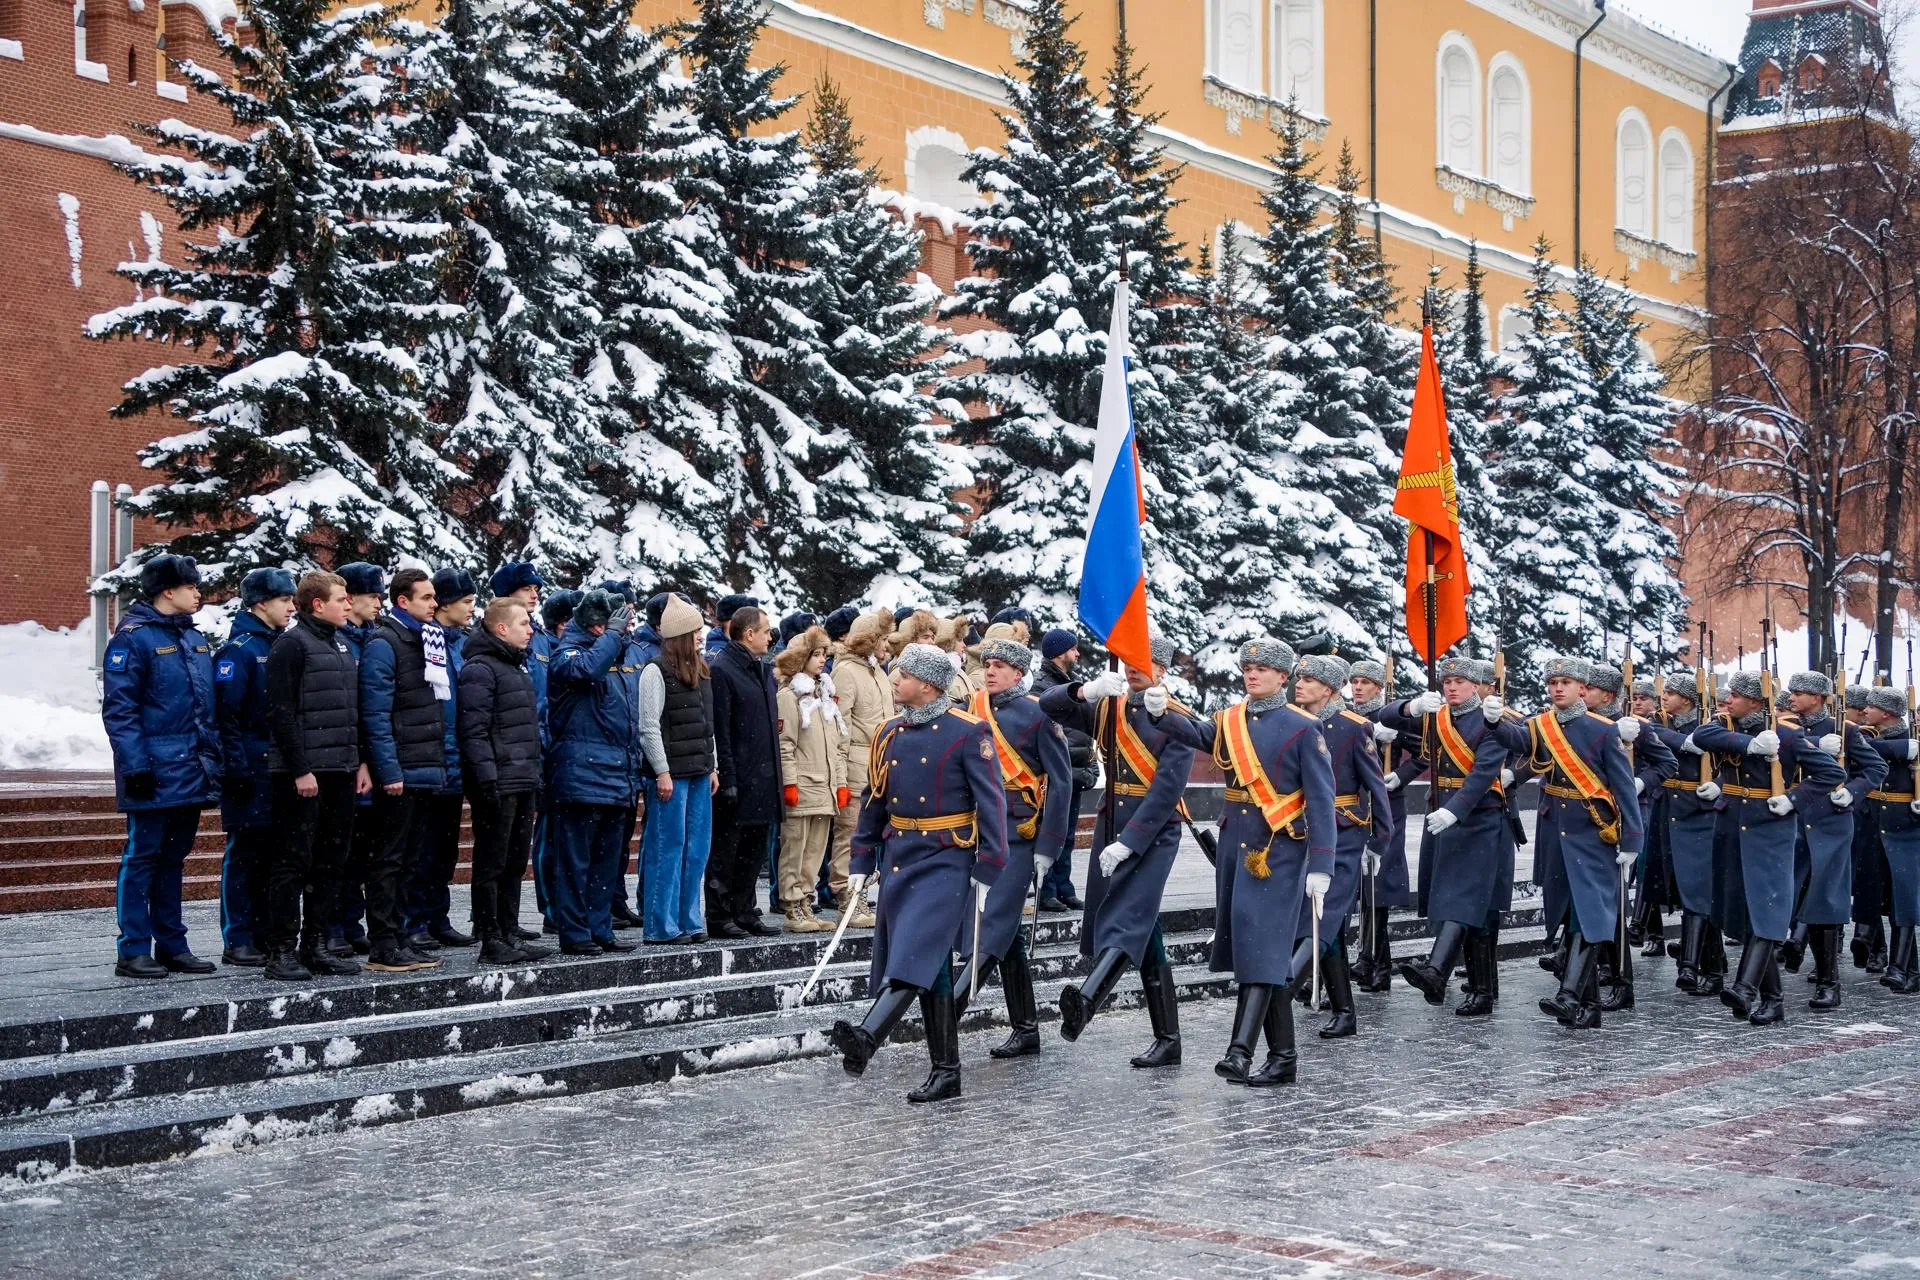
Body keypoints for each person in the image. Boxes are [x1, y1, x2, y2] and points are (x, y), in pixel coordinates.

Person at [829, 643, 1008, 1104]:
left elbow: (992, 804)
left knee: (913, 951)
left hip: (948, 858)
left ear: (927, 684)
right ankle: (947, 1071)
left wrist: (991, 864)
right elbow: (876, 798)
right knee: (930, 964)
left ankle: (867, 1037)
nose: (893, 679)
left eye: (902, 674)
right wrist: (862, 859)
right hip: (900, 857)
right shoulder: (890, 731)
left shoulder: (968, 731)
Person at [1152, 639, 1335, 1085]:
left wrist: (1322, 865)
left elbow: (1322, 801)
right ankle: (1285, 1057)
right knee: (1259, 953)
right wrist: (1159, 711)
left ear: (1283, 677)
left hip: (1278, 854)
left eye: (1262, 669)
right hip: (1237, 851)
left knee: (1263, 950)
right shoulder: (1231, 720)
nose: (1252, 675)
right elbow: (1197, 734)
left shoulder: (1302, 727)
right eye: (1247, 667)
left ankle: (1239, 1052)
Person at [1037, 630, 1194, 1068]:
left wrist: (1130, 842)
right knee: (1143, 928)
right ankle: (1168, 1039)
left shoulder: (1177, 718)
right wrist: (1084, 690)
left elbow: (1166, 791)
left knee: (1128, 921)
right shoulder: (1111, 706)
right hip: (1111, 820)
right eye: (1128, 662)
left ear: (1162, 669)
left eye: (1143, 664)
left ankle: (1087, 1000)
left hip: (1152, 831)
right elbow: (1049, 705)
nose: (1132, 670)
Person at [1693, 670, 1846, 1025]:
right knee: (1748, 912)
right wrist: (1750, 746)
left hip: (1770, 830)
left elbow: (1830, 774)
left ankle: (1746, 987)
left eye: (1735, 696)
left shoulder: (1789, 736)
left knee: (1767, 909)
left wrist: (1794, 800)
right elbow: (1702, 734)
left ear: (1757, 702)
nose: (1728, 700)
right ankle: (1773, 1000)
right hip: (1732, 830)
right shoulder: (1728, 728)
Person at [1504, 657, 1646, 1029]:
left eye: (1565, 682)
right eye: (1552, 683)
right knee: (1570, 912)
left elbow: (1624, 788)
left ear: (1582, 688)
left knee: (1590, 914)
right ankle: (1589, 1009)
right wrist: (1492, 720)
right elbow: (1518, 739)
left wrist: (1632, 839)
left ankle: (1569, 996)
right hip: (1557, 833)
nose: (1557, 689)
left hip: (1593, 832)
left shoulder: (1602, 729)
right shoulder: (1542, 725)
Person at [950, 628, 1072, 1058]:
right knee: (1003, 932)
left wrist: (1048, 846)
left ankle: (946, 1017)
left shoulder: (1038, 716)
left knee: (990, 925)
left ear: (1019, 672)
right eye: (987, 665)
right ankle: (1027, 1027)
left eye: (1000, 667)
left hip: (1019, 835)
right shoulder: (971, 709)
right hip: (978, 831)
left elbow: (1061, 781)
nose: (991, 672)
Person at [101, 554, 223, 979]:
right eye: (191, 587)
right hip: (152, 770)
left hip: (190, 768)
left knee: (173, 859)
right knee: (142, 858)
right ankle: (133, 948)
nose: (198, 594)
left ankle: (172, 944)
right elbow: (120, 711)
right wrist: (135, 765)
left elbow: (206, 710)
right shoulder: (132, 639)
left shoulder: (194, 639)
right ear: (168, 591)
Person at [1378, 655, 1509, 1013]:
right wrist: (1412, 706)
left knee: (1464, 898)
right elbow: (1385, 718)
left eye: (1459, 682)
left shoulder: (1490, 721)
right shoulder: (1436, 716)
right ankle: (1481, 991)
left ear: (1477, 686)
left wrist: (1455, 810)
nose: (1451, 687)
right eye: (1446, 681)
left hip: (1479, 817)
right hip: (1442, 813)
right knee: (1469, 904)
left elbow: (1483, 774)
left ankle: (1437, 971)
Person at [264, 571, 368, 981]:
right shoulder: (291, 645)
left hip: (341, 770)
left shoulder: (341, 644)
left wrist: (358, 761)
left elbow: (351, 712)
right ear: (317, 604)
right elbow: (281, 713)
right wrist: (299, 769)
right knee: (292, 862)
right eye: (341, 599)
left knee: (332, 861)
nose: (348, 605)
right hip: (303, 775)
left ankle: (317, 944)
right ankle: (281, 951)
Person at [1287, 654, 1392, 1033]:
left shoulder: (1353, 727)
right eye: (1299, 678)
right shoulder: (1292, 721)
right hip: (1302, 834)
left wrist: (1380, 840)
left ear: (1329, 689)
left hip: (1343, 833)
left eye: (1309, 680)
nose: (1299, 685)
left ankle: (1280, 992)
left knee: (1323, 916)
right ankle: (1344, 1012)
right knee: (1321, 923)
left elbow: (1375, 787)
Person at [356, 568, 449, 974]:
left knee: (410, 858)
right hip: (401, 770)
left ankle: (401, 936)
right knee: (388, 859)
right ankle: (383, 942)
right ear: (402, 601)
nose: (434, 604)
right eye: (426, 598)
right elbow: (376, 713)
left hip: (424, 765)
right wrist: (389, 769)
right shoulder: (385, 642)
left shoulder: (426, 639)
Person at [458, 597, 555, 965]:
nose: (531, 630)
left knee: (515, 862)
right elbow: (474, 730)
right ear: (501, 628)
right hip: (498, 782)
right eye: (523, 623)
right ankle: (491, 937)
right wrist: (487, 780)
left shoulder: (517, 666)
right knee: (492, 863)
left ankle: (510, 930)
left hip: (522, 778)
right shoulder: (481, 669)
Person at [544, 588, 640, 955]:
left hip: (616, 775)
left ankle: (600, 928)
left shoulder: (615, 654)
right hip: (580, 775)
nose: (627, 629)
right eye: (619, 623)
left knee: (606, 862)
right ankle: (574, 931)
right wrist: (614, 638)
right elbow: (585, 670)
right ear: (599, 626)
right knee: (575, 862)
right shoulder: (567, 653)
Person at [1576, 663, 1675, 1012]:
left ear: (1606, 694)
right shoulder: (1579, 723)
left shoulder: (1634, 727)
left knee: (1616, 902)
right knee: (1598, 903)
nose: (1581, 692)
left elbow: (1667, 763)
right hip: (1589, 819)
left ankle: (1623, 981)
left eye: (1587, 688)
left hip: (1621, 818)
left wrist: (1640, 782)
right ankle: (1601, 967)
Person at [1782, 671, 1885, 1008]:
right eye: (1792, 692)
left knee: (1824, 900)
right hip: (1795, 819)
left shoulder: (1846, 731)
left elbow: (1875, 768)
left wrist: (1852, 793)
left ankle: (1829, 983)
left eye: (1800, 693)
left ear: (1820, 698)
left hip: (1831, 822)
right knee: (1791, 895)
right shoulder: (1783, 727)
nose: (1793, 698)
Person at [212, 567, 295, 969]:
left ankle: (264, 931)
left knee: (273, 855)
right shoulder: (240, 650)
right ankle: (239, 937)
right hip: (250, 766)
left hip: (278, 767)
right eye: (284, 600)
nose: (291, 608)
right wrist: (236, 768)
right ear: (261, 603)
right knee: (245, 854)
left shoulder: (282, 643)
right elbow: (226, 716)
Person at [636, 595, 719, 944]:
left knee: (697, 847)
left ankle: (689, 919)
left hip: (699, 770)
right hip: (672, 774)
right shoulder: (655, 670)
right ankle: (660, 924)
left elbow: (706, 723)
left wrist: (713, 765)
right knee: (669, 847)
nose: (701, 636)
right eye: (695, 630)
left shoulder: (701, 669)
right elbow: (648, 726)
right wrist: (661, 771)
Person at [1648, 673, 1730, 996]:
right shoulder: (1663, 722)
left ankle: (1692, 965)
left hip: (1702, 814)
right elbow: (1648, 732)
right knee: (1688, 891)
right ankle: (1712, 965)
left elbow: (1736, 763)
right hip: (1671, 814)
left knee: (1698, 890)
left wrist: (1719, 787)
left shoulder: (1714, 726)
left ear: (1688, 699)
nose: (1664, 696)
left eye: (1671, 692)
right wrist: (1682, 741)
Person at [408, 567, 476, 951]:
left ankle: (437, 915)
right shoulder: (423, 641)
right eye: (465, 602)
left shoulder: (461, 644)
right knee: (420, 847)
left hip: (454, 760)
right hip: (428, 758)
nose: (471, 609)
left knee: (444, 849)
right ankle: (413, 919)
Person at [1347, 658, 1424, 992]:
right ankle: (1374, 961)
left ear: (1379, 687)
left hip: (1385, 807)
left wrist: (1399, 777)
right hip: (1354, 807)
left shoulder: (1391, 716)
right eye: (1355, 681)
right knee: (1362, 886)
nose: (1358, 687)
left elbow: (1424, 752)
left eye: (1365, 682)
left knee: (1378, 885)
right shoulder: (1349, 715)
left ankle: (1374, 962)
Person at [708, 605, 783, 938]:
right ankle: (719, 913)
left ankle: (745, 909)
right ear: (748, 633)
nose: (771, 636)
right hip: (739, 774)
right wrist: (728, 777)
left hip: (763, 774)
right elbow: (721, 730)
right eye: (765, 630)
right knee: (728, 848)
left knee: (753, 850)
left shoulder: (762, 669)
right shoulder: (723, 669)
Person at [328, 562, 385, 956]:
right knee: (337, 850)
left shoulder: (371, 640)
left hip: (367, 759)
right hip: (343, 760)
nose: (378, 602)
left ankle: (351, 920)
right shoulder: (336, 640)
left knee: (362, 851)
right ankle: (333, 924)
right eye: (373, 595)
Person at [774, 626, 847, 933]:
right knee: (795, 849)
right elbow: (785, 744)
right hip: (803, 786)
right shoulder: (789, 698)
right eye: (815, 655)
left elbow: (838, 745)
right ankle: (792, 906)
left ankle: (806, 899)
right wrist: (789, 783)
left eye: (823, 655)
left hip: (825, 787)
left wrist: (840, 782)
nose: (821, 661)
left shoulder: (825, 697)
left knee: (815, 852)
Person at [825, 608, 894, 929]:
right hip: (855, 769)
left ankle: (863, 895)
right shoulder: (845, 673)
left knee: (869, 838)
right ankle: (847, 899)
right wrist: (839, 776)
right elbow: (839, 728)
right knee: (849, 837)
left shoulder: (878, 672)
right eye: (881, 639)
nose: (887, 645)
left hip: (881, 768)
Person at [530, 587, 582, 935]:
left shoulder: (551, 648)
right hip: (545, 752)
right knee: (548, 839)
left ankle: (565, 905)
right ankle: (550, 907)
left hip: (562, 751)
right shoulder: (544, 648)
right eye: (525, 590)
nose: (532, 595)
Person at [1862, 688, 1919, 992]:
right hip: (1877, 823)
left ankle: (1900, 966)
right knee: (1887, 896)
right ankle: (1907, 968)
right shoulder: (1871, 736)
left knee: (1905, 897)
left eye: (1871, 707)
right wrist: (1898, 748)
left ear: (1886, 713)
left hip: (1907, 826)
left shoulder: (1914, 737)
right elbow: (1859, 748)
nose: (1865, 711)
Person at [1032, 627, 1093, 913]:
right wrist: (1069, 765)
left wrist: (1087, 763)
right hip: (1057, 775)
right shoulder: (1042, 687)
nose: (1077, 653)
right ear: (1060, 652)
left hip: (1074, 773)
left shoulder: (1073, 684)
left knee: (1067, 834)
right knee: (1052, 831)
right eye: (1073, 648)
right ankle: (1047, 890)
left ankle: (1064, 887)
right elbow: (1049, 736)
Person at [1847, 683, 1893, 971]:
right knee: (1866, 881)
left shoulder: (1868, 735)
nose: (1860, 712)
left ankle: (1874, 943)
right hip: (1861, 813)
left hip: (1891, 818)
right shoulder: (1856, 735)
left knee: (1880, 883)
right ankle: (1870, 942)